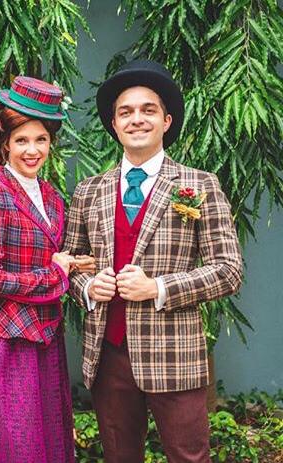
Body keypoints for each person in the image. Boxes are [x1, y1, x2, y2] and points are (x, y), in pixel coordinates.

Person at [63, 59, 243, 462]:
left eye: (148, 110)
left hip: (174, 354)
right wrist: (89, 287)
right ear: (114, 124)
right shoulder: (89, 191)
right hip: (108, 355)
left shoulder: (199, 185)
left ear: (166, 120)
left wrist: (158, 287)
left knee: (188, 456)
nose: (136, 119)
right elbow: (72, 265)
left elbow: (229, 270)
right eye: (125, 112)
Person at [0, 76, 96, 463]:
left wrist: (72, 267)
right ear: (5, 142)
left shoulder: (54, 198)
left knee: (41, 445)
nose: (32, 149)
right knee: (5, 448)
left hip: (42, 336)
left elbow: (54, 258)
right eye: (22, 140)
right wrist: (57, 274)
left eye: (41, 139)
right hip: (0, 341)